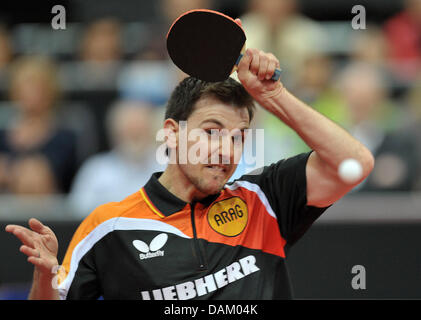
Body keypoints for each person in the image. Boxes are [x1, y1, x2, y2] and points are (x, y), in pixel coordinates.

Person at [4, 22, 374, 299]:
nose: (227, 150)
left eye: (239, 137)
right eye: (211, 131)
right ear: (171, 133)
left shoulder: (264, 200)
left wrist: (271, 95)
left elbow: (354, 164)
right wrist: (45, 279)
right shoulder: (108, 227)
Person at [68, 100, 165, 217]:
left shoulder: (167, 167)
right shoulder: (95, 171)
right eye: (128, 130)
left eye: (139, 130)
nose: (134, 135)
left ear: (151, 131)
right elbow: (77, 215)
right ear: (114, 133)